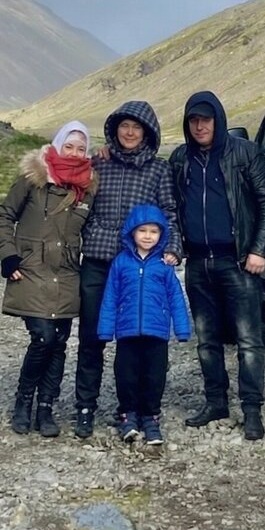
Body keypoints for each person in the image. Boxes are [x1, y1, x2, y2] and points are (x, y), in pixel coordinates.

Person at [169, 90, 265, 441]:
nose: (200, 126)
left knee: (248, 340)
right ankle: (215, 401)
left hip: (239, 262)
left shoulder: (244, 153)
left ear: (218, 118)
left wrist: (259, 249)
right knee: (207, 341)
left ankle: (251, 411)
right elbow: (170, 205)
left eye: (206, 119)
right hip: (199, 263)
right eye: (193, 120)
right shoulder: (180, 158)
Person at [73, 100, 183, 439]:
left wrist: (174, 248)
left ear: (148, 132)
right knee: (92, 336)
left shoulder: (158, 170)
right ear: (114, 129)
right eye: (124, 126)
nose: (130, 132)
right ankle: (85, 407)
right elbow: (73, 200)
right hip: (97, 260)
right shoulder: (98, 165)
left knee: (139, 339)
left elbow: (170, 213)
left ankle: (138, 409)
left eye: (137, 127)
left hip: (139, 267)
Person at [0, 120, 97, 438]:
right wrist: (8, 255)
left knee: (60, 343)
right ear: (57, 145)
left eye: (82, 148)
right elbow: (4, 216)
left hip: (66, 275)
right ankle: (23, 403)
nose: (75, 153)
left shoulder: (89, 188)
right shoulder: (33, 178)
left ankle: (46, 409)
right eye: (69, 146)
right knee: (43, 338)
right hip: (32, 271)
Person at [96, 203, 192, 444]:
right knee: (126, 374)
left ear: (161, 235)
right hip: (127, 332)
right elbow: (110, 297)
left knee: (154, 375)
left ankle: (150, 416)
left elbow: (176, 298)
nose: (148, 236)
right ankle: (127, 414)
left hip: (156, 332)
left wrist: (181, 328)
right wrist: (106, 329)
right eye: (142, 231)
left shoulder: (164, 265)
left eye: (153, 231)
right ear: (132, 233)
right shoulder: (120, 262)